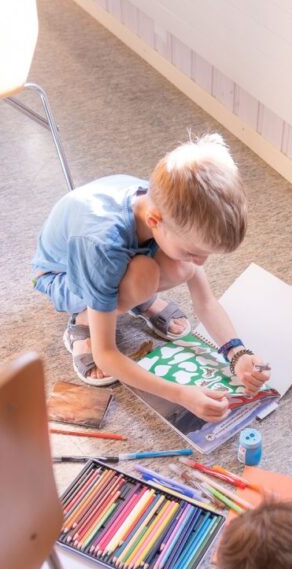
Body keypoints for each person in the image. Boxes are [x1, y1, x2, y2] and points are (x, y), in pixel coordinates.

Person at [32, 132, 269, 420]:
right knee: (144, 274)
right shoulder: (101, 244)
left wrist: (237, 354)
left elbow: (205, 302)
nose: (202, 262)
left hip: (114, 255)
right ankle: (83, 322)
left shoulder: (167, 207)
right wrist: (182, 394)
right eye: (194, 250)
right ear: (155, 222)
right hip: (62, 276)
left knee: (182, 267)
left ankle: (135, 298)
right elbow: (106, 354)